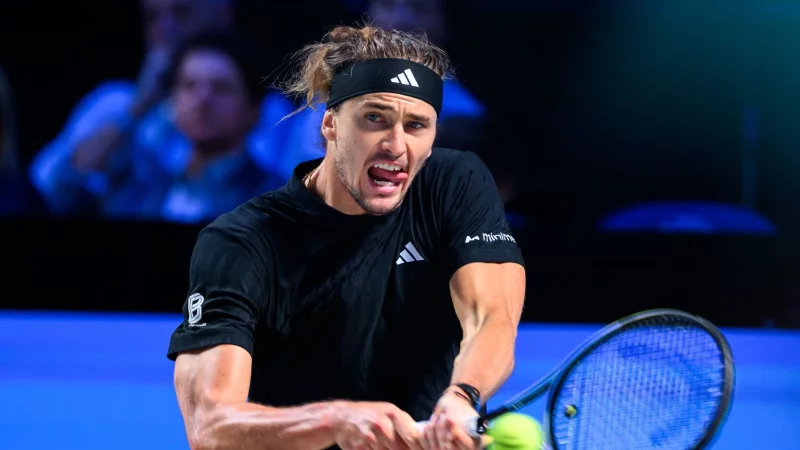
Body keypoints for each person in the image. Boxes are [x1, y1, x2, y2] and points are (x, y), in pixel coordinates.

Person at [167, 24, 525, 450]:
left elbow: (491, 318)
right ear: (331, 124)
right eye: (375, 118)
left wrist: (462, 395)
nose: (396, 145)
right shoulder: (241, 242)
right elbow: (209, 424)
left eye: (416, 125)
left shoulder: (455, 184)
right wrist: (335, 420)